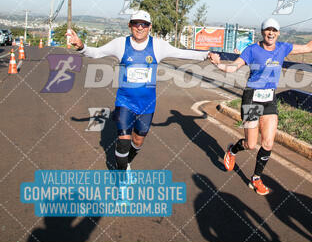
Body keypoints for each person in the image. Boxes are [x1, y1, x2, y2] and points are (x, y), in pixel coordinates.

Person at [68, 11, 211, 170]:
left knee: (137, 142)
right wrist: (81, 46)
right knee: (123, 141)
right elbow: (96, 53)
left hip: (147, 105)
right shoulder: (120, 44)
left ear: (150, 27)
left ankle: (127, 162)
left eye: (144, 24)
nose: (140, 27)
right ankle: (121, 178)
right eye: (136, 23)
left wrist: (206, 55)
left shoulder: (158, 46)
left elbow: (182, 53)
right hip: (125, 101)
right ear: (130, 25)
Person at [209, 13, 312, 195]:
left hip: (269, 100)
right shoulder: (252, 50)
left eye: (274, 30)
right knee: (251, 144)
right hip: (252, 98)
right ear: (262, 32)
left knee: (268, 143)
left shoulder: (283, 48)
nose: (271, 33)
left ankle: (256, 178)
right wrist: (218, 65)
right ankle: (232, 150)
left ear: (278, 33)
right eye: (268, 30)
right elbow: (234, 67)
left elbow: (307, 47)